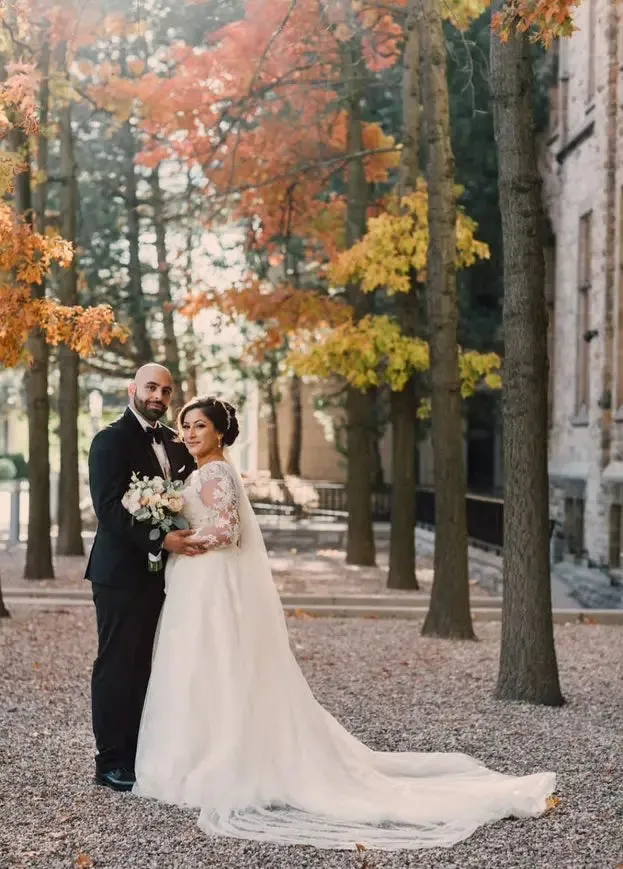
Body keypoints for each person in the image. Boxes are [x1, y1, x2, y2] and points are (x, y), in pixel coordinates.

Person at [133, 394, 556, 851]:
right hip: (198, 580)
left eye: (200, 426)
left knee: (212, 662)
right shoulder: (198, 473)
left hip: (210, 578)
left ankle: (215, 759)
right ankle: (199, 752)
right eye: (187, 426)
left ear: (218, 432)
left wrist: (178, 538)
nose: (192, 434)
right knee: (199, 666)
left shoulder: (215, 472)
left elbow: (227, 531)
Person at [86, 364, 206, 792]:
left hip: (165, 575)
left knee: (148, 665)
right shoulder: (109, 441)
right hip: (120, 573)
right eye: (151, 387)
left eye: (166, 390)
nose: (158, 396)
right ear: (133, 389)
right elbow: (109, 510)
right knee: (119, 662)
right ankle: (111, 760)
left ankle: (139, 750)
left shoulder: (176, 445)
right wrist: (161, 541)